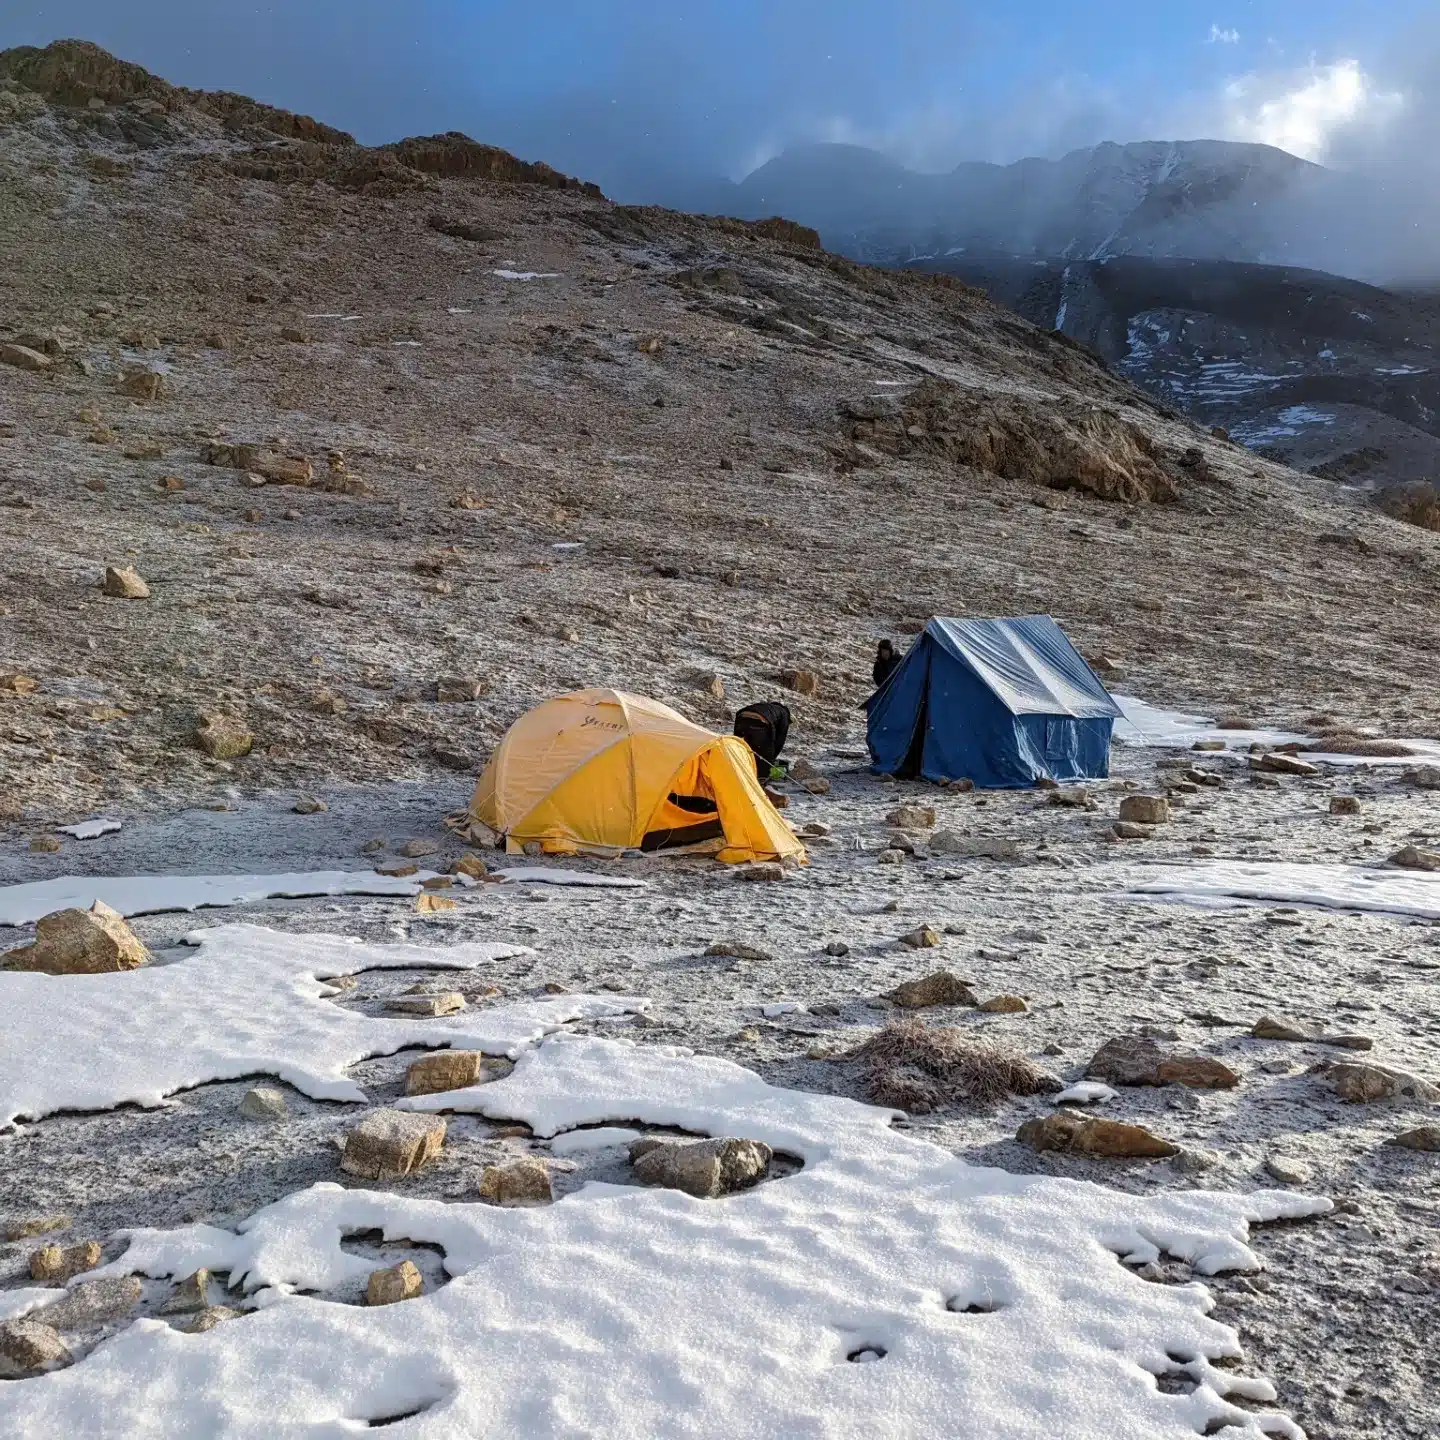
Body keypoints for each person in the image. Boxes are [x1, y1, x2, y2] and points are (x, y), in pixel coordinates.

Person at [733, 700, 791, 781]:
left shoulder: (766, 707)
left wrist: (736, 737)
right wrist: (771, 758)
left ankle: (735, 770)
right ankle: (760, 781)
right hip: (760, 722)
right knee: (765, 754)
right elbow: (780, 740)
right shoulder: (784, 713)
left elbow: (739, 713)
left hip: (741, 718)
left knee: (742, 749)